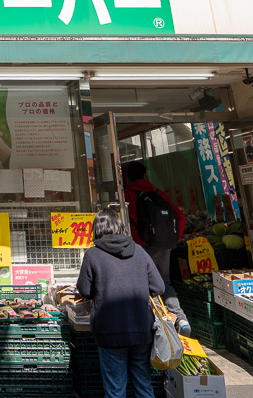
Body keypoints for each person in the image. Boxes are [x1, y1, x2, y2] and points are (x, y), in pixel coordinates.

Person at [78, 209, 165, 398]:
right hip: (141, 329)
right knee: (143, 385)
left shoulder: (93, 255)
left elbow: (84, 291)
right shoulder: (139, 251)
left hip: (110, 332)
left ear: (97, 229)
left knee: (115, 390)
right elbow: (159, 287)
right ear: (119, 226)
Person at [122, 161, 189, 334]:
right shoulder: (158, 193)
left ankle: (158, 324)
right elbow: (180, 216)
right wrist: (173, 240)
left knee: (143, 284)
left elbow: (127, 222)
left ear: (128, 177)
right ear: (145, 175)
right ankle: (180, 320)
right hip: (163, 245)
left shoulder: (127, 195)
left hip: (141, 247)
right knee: (164, 282)